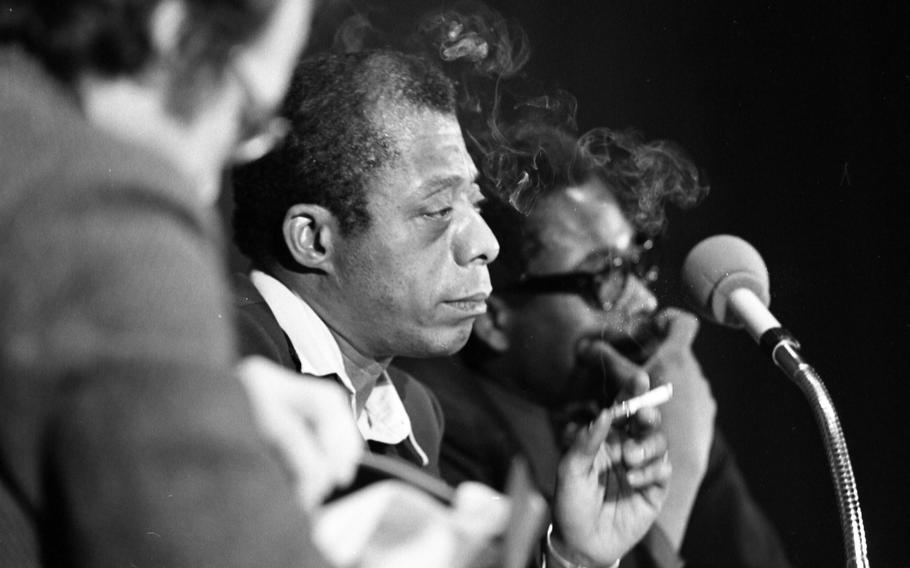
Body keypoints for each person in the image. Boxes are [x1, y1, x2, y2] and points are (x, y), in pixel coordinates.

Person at [230, 48, 673, 568]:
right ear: (313, 239)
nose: (486, 243)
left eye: (475, 205)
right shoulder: (222, 365)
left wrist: (572, 557)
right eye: (439, 210)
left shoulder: (416, 414)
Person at [0, 0, 363, 566]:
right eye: (244, 117)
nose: (206, 186)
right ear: (171, 26)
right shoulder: (101, 202)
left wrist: (197, 401)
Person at [398, 123, 794, 568]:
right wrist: (678, 473)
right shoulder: (434, 429)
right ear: (492, 319)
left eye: (635, 265)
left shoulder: (626, 406)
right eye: (605, 277)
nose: (643, 300)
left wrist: (692, 446)